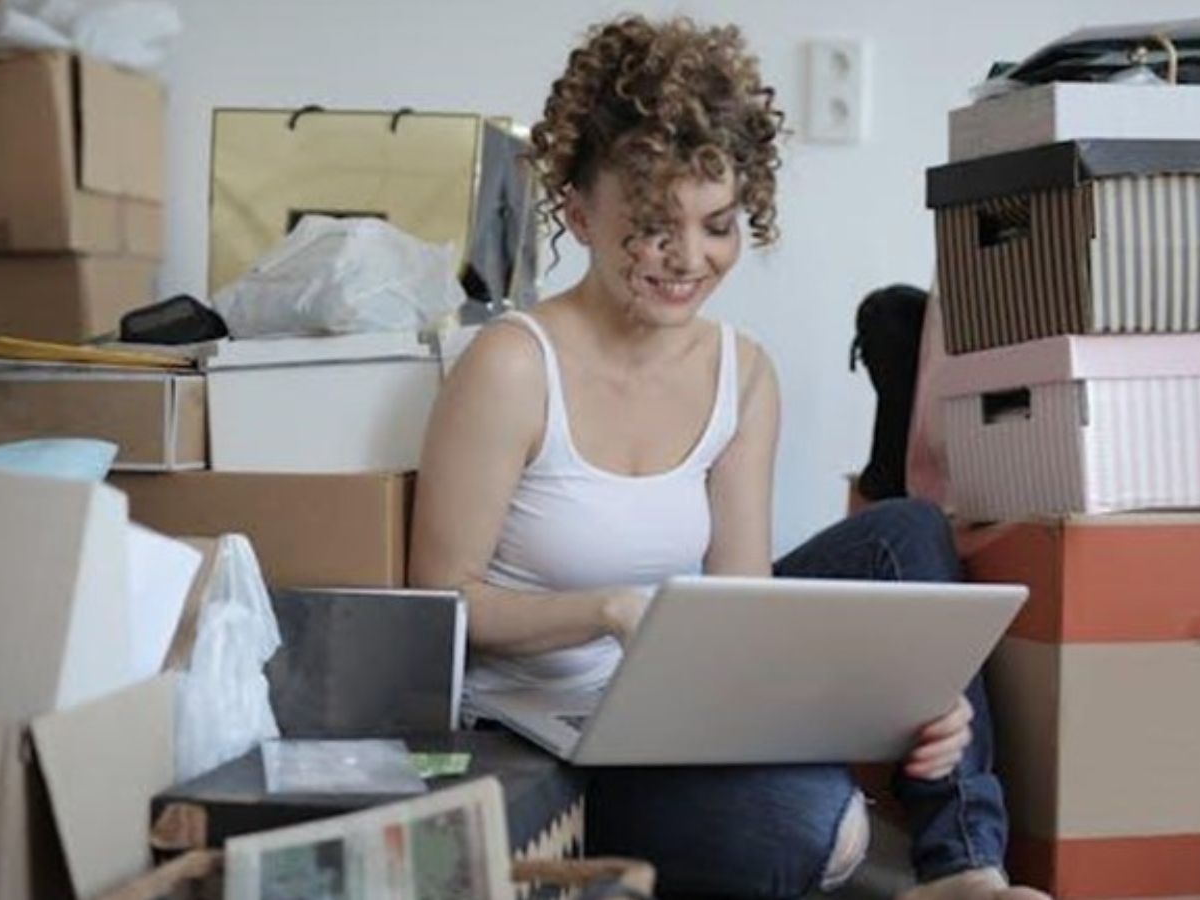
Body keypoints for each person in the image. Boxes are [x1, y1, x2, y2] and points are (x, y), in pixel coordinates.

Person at [410, 15, 1047, 900]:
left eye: (717, 225)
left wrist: (907, 700)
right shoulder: (514, 365)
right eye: (653, 227)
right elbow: (445, 603)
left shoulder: (741, 373)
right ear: (581, 212)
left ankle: (966, 868)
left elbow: (745, 612)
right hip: (550, 733)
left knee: (904, 536)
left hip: (687, 702)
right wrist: (607, 610)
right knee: (818, 830)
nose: (689, 260)